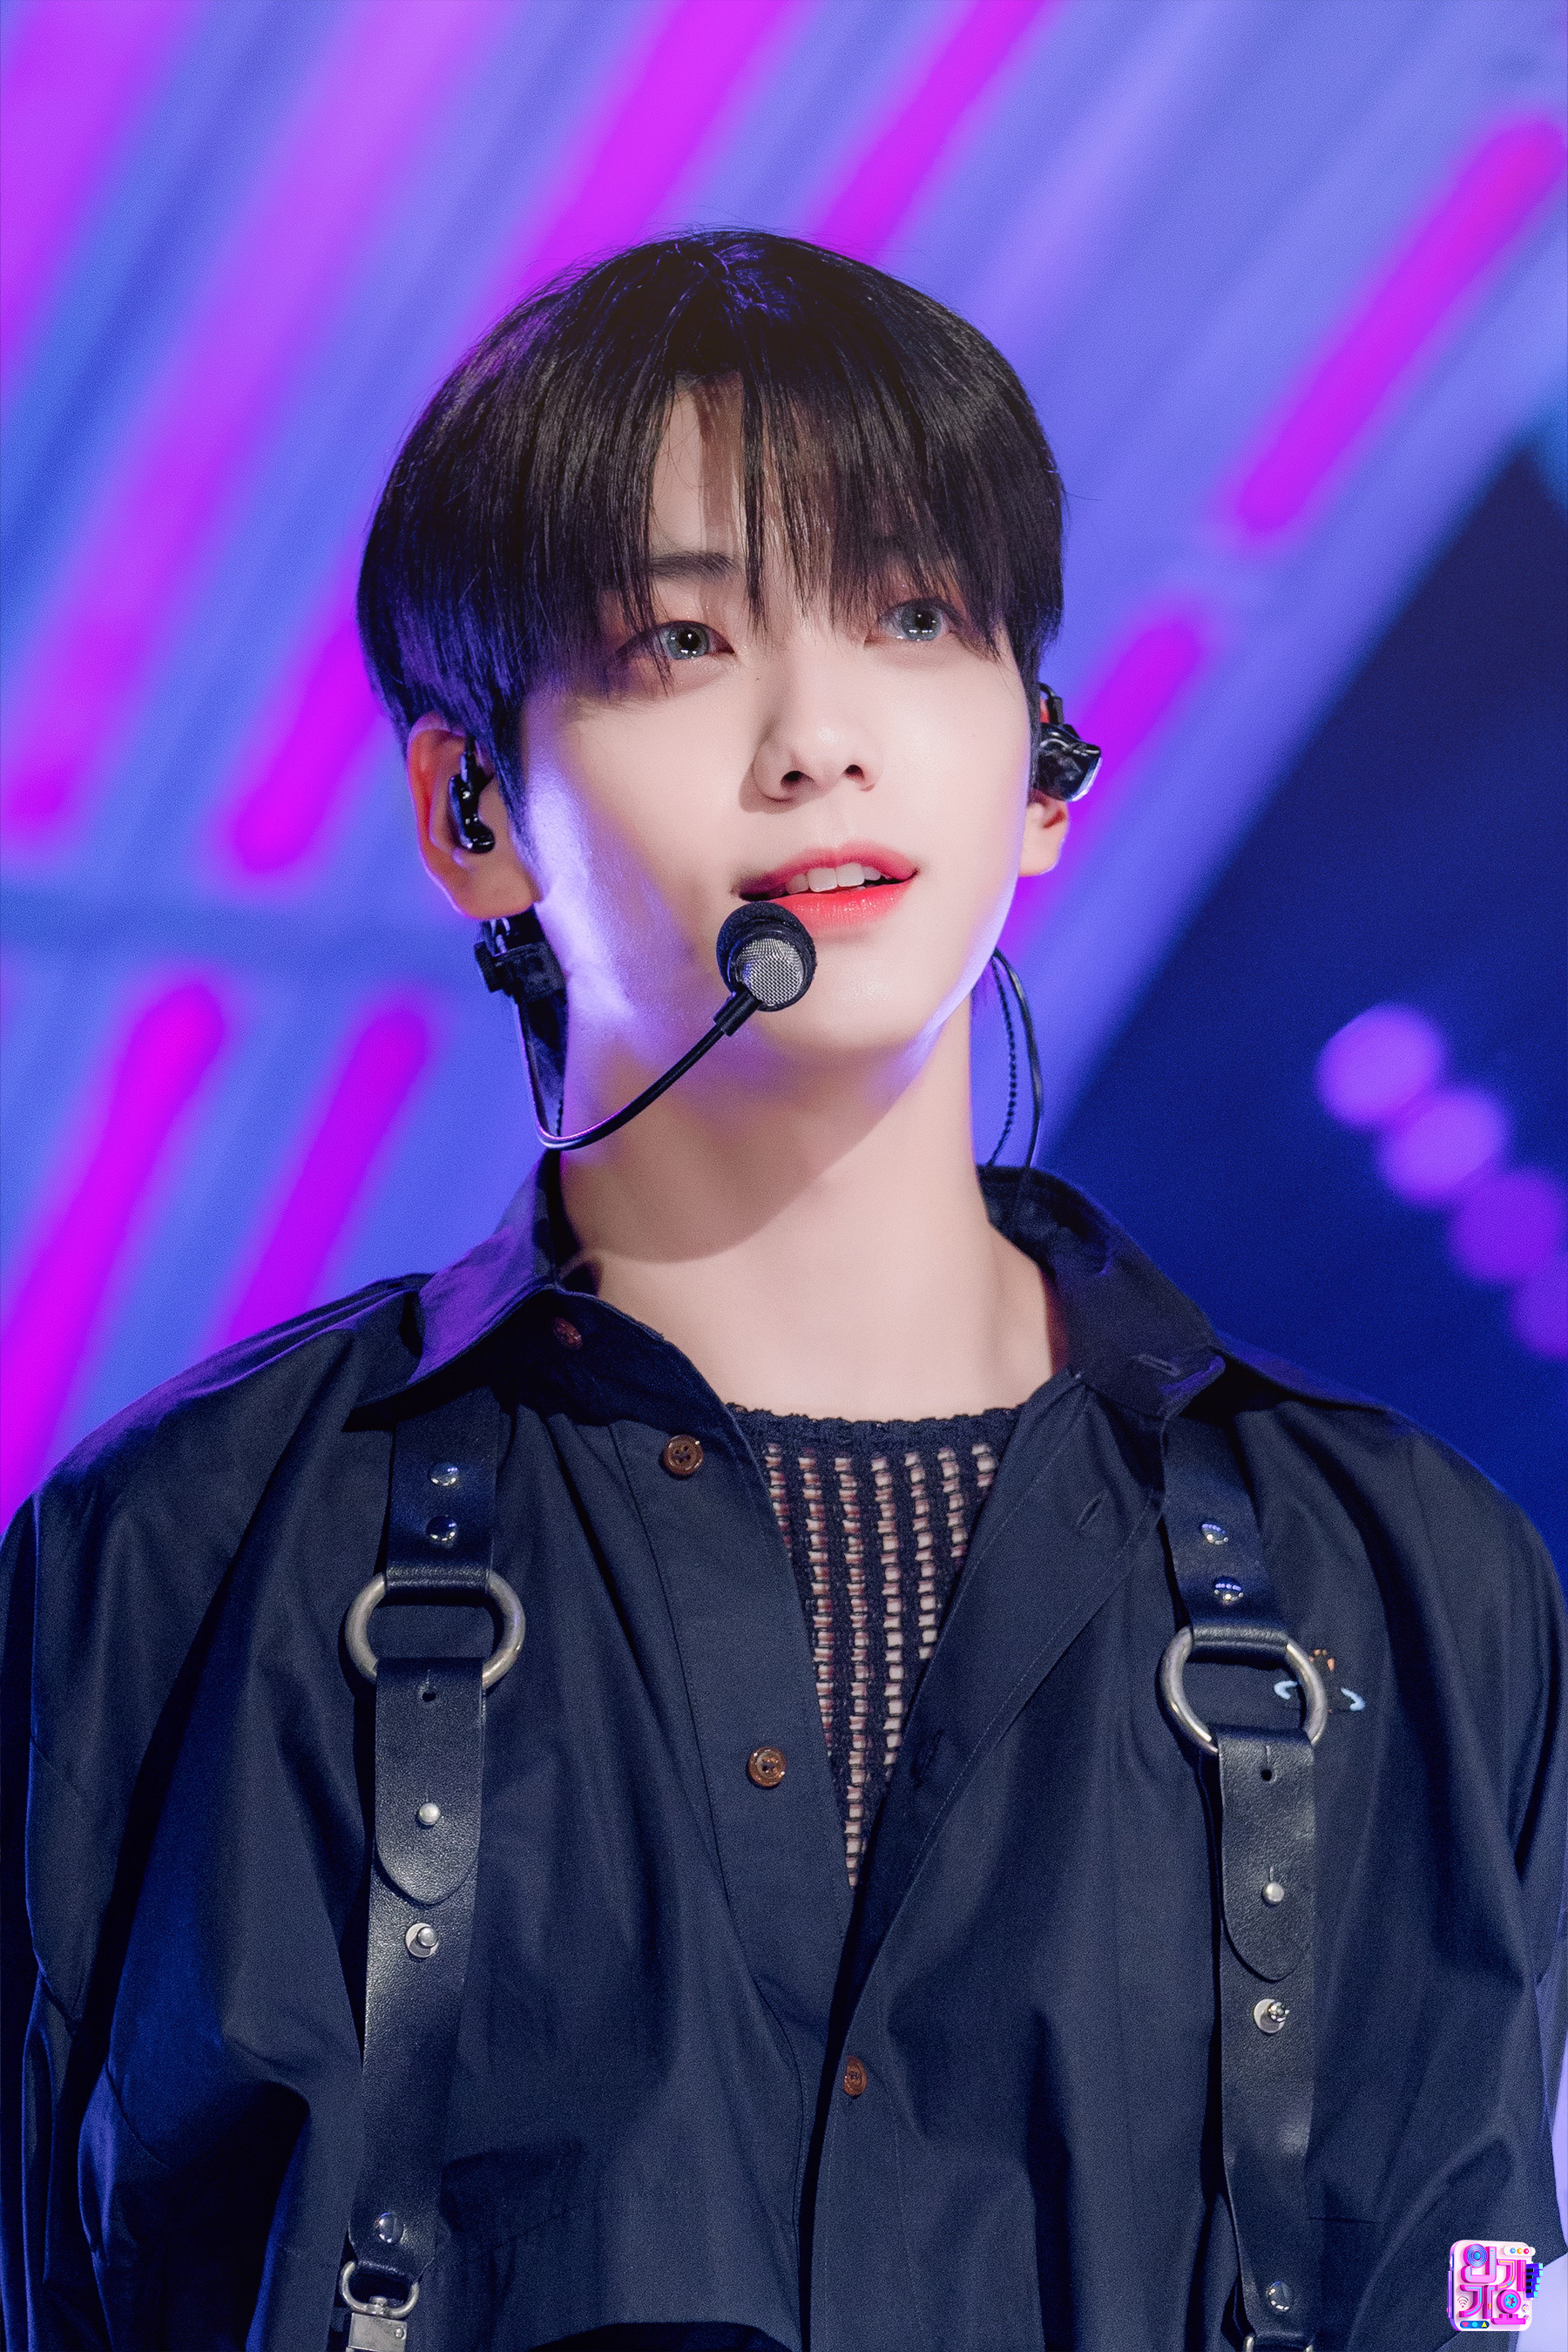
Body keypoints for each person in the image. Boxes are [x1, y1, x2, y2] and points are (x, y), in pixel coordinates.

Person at [2, 231, 1562, 2352]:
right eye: (680, 641)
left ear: (1044, 767)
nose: (821, 737)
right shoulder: (177, 1562)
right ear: (470, 810)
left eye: (914, 616)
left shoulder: (1403, 1585)